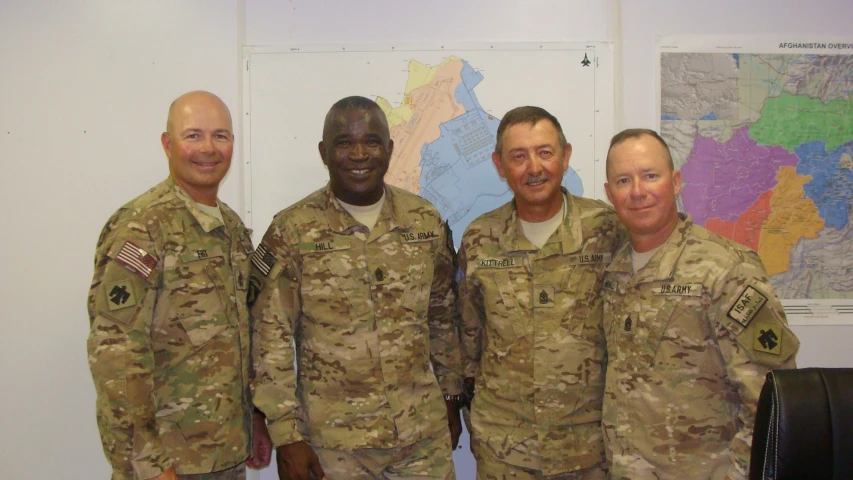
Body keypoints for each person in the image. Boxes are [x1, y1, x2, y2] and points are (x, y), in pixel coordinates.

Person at [248, 96, 464, 480]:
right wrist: (286, 433)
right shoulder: (292, 231)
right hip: (332, 447)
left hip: (420, 441)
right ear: (324, 153)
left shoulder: (424, 221)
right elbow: (269, 337)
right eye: (344, 143)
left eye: (372, 141)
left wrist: (450, 394)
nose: (359, 154)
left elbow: (442, 315)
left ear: (390, 149)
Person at [87, 90, 272, 480]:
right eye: (193, 135)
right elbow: (115, 355)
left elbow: (242, 336)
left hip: (224, 456)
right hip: (168, 464)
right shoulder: (141, 228)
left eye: (220, 136)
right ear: (167, 144)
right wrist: (149, 464)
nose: (208, 148)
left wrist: (255, 418)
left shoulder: (232, 228)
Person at [601, 128, 800, 480]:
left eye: (650, 176)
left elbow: (773, 392)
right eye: (623, 180)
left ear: (675, 182)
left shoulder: (727, 269)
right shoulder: (613, 273)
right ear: (609, 194)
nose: (637, 191)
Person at [457, 106, 624, 479]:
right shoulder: (480, 239)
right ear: (500, 166)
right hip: (506, 453)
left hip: (591, 451)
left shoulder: (609, 230)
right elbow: (468, 341)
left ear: (565, 156)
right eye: (518, 156)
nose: (534, 168)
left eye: (545, 152)